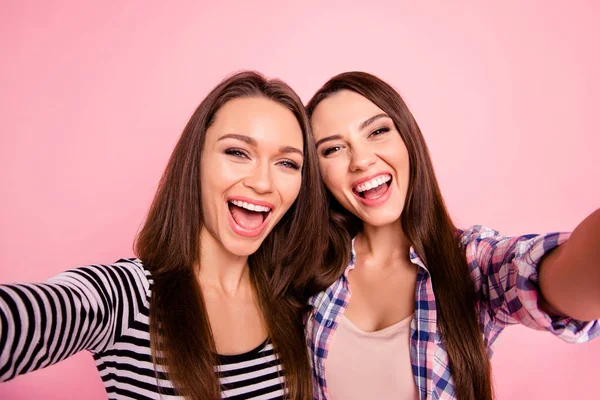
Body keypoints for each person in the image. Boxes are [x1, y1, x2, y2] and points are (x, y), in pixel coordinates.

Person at [0, 71, 330, 400]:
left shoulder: (295, 304)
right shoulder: (126, 297)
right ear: (195, 162)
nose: (263, 183)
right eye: (237, 152)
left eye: (287, 163)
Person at [305, 71, 600, 400]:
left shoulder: (473, 263)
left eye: (377, 131)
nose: (361, 160)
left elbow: (551, 272)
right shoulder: (309, 271)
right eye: (332, 149)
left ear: (408, 138)